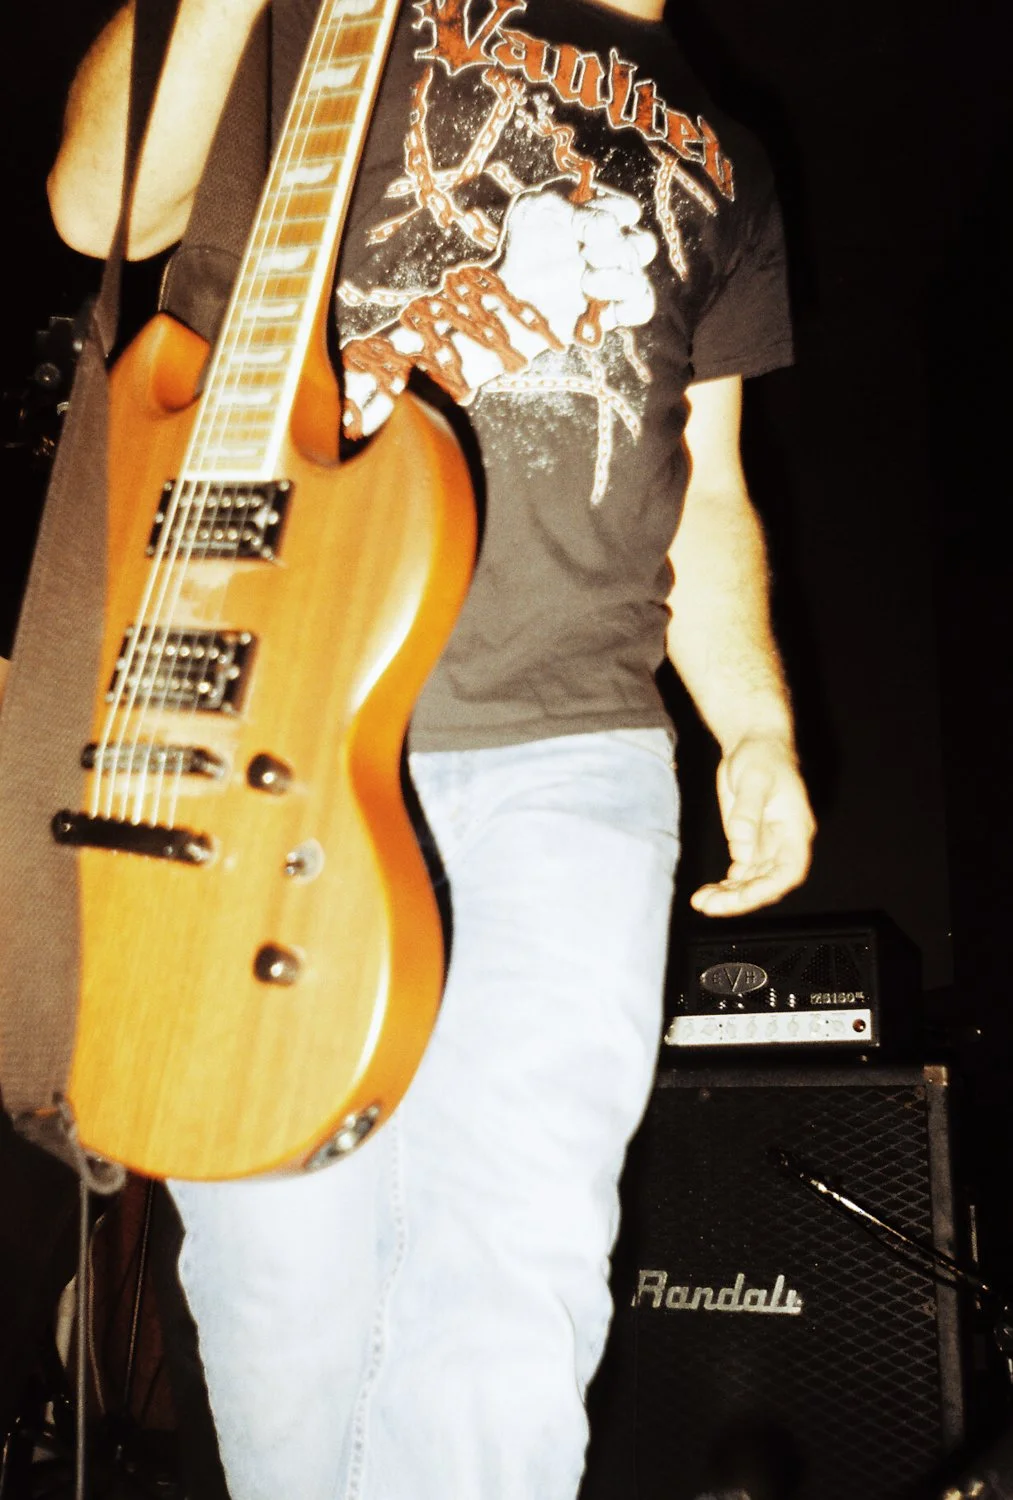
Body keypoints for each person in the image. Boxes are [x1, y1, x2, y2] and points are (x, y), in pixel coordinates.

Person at [38, 0, 816, 1495]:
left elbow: (708, 485)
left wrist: (758, 724)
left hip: (572, 752)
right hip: (262, 714)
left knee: (516, 1286)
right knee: (283, 1301)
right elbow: (100, 207)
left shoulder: (730, 154)